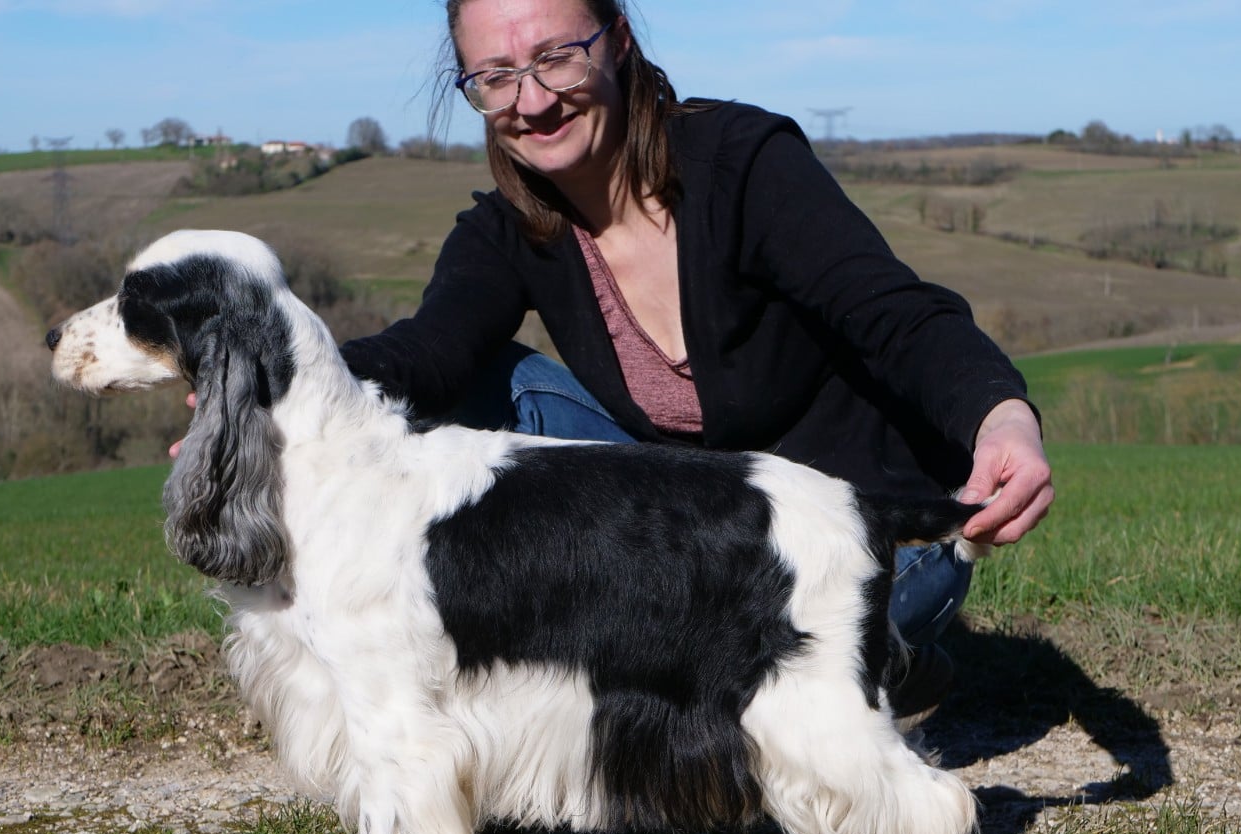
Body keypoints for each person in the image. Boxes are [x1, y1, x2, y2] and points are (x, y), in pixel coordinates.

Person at [182, 0, 1054, 721]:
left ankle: (891, 663)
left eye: (556, 56)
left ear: (620, 41)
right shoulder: (504, 231)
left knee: (801, 698)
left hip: (862, 528)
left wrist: (999, 414)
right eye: (495, 77)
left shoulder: (745, 166)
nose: (532, 99)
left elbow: (895, 315)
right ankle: (503, 668)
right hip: (694, 528)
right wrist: (264, 399)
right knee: (486, 388)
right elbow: (426, 353)